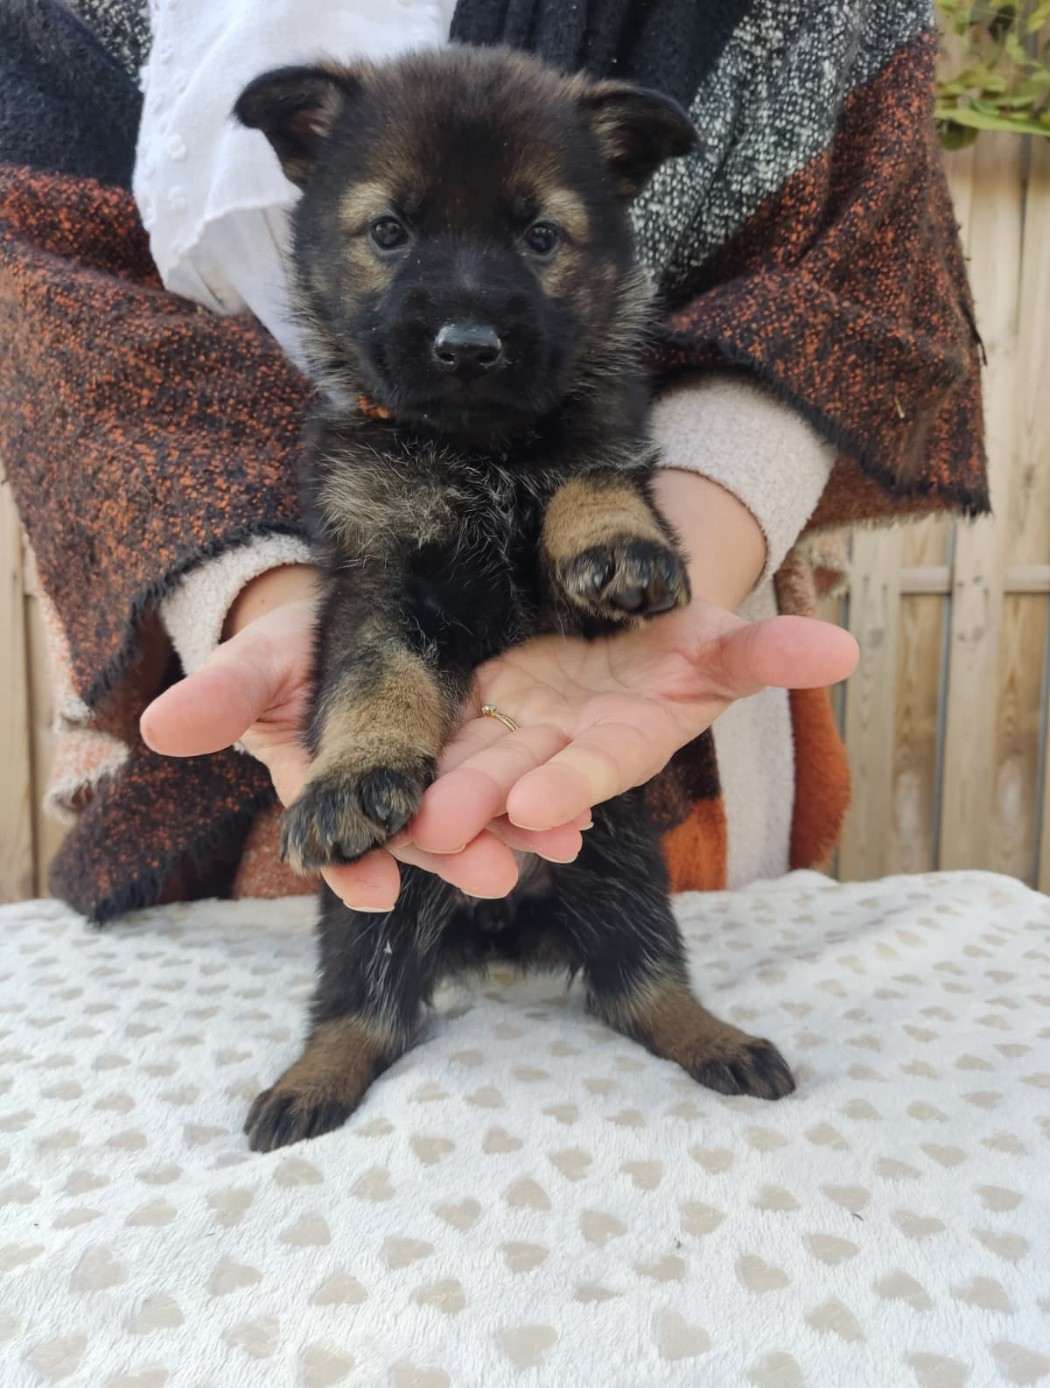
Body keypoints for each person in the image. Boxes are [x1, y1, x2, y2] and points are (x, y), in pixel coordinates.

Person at [0, 0, 985, 922]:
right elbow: (52, 301)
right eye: (392, 230)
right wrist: (272, 599)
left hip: (665, 679)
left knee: (629, 1006)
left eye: (538, 233)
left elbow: (846, 269)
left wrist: (676, 531)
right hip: (260, 700)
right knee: (352, 998)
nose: (465, 318)